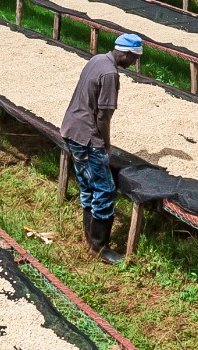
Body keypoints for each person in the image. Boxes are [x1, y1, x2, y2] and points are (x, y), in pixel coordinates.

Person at [60, 33, 144, 264]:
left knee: (87, 184)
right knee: (105, 189)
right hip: (88, 137)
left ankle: (88, 237)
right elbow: (103, 117)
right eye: (134, 59)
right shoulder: (110, 74)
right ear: (127, 54)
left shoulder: (97, 59)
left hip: (72, 129)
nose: (134, 64)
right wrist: (105, 146)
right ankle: (99, 247)